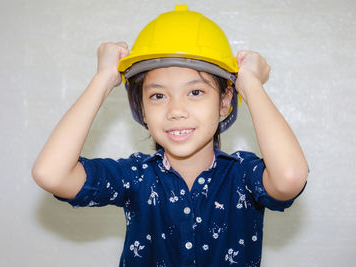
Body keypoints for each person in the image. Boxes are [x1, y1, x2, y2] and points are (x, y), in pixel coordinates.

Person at [32, 5, 308, 267]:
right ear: (142, 108)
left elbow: (290, 177)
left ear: (225, 102)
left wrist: (250, 85)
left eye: (195, 92)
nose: (176, 110)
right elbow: (51, 174)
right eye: (158, 95)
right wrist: (103, 79)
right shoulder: (136, 177)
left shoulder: (243, 176)